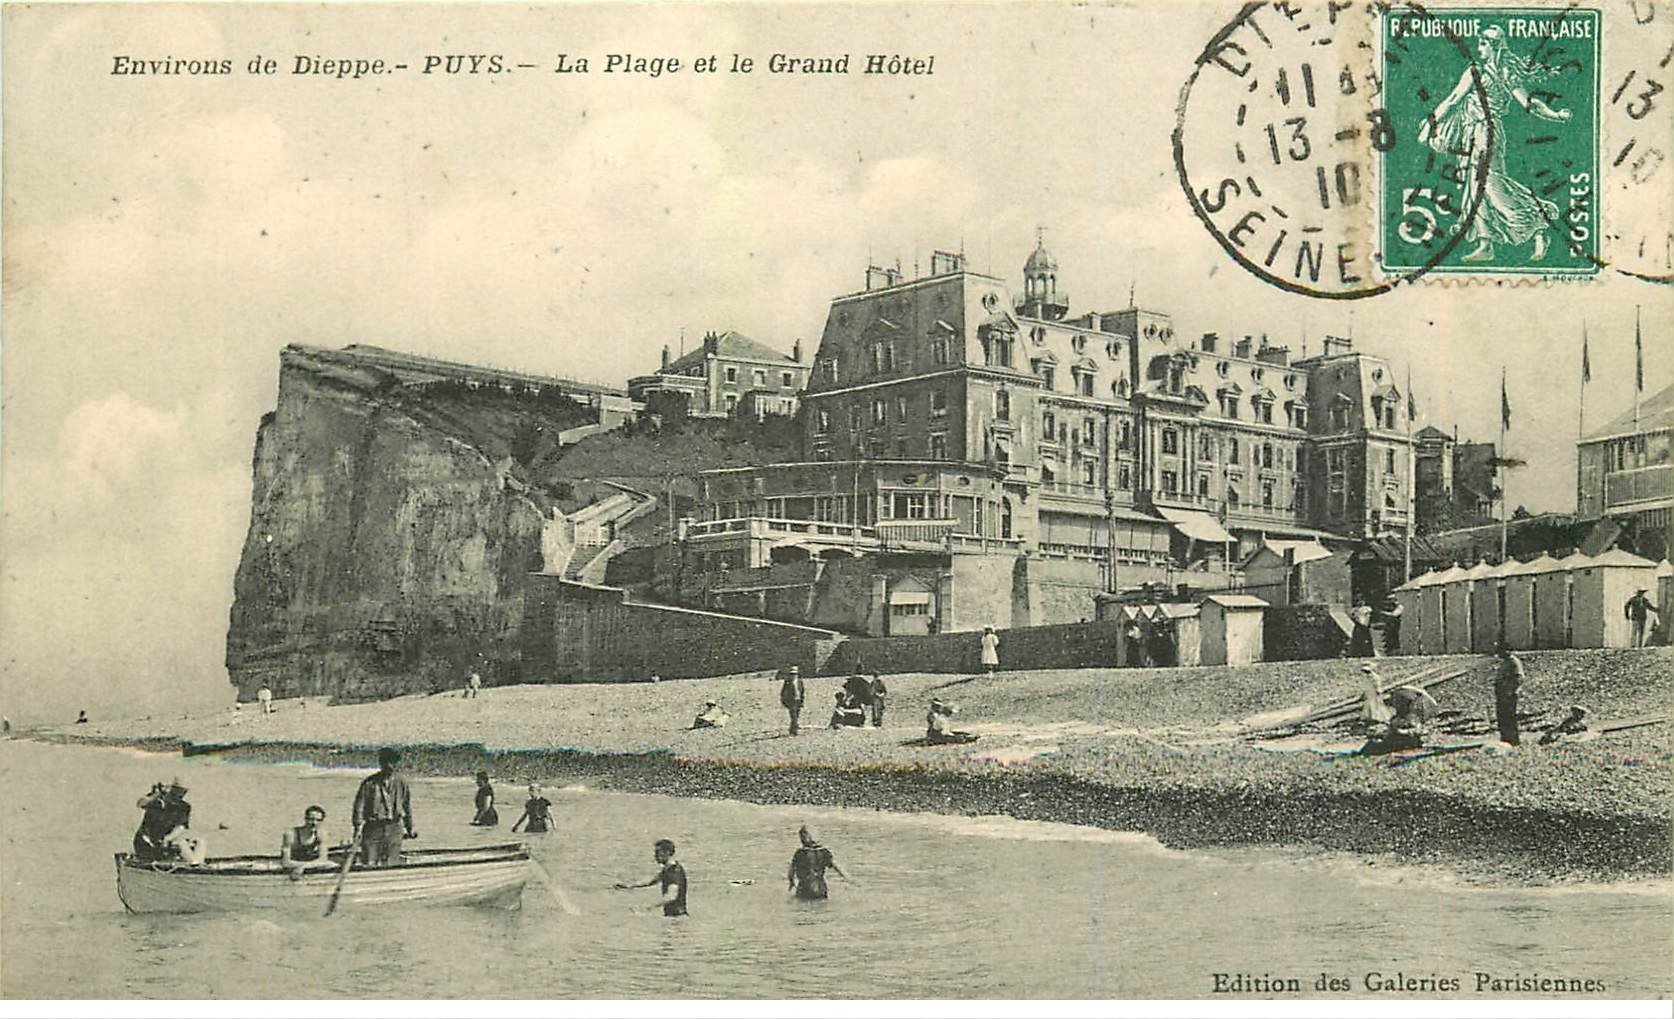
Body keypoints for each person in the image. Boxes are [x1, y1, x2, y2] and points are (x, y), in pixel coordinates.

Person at [351, 747, 416, 866]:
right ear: (380, 763)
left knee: (392, 862)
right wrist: (357, 829)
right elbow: (359, 807)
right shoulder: (369, 783)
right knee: (370, 861)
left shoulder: (402, 783)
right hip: (373, 828)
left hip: (394, 828)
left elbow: (407, 807)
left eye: (392, 762)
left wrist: (410, 828)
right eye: (385, 762)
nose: (389, 765)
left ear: (397, 764)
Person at [613, 838, 687, 917]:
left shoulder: (674, 872)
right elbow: (651, 881)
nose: (655, 856)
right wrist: (629, 885)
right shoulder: (668, 869)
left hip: (677, 916)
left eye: (657, 853)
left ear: (667, 853)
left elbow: (671, 896)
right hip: (673, 915)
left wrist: (648, 907)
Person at [133, 780, 192, 861]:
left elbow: (181, 826)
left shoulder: (184, 807)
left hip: (166, 842)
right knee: (180, 843)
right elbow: (141, 804)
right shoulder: (155, 802)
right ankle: (195, 866)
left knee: (199, 842)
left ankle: (197, 865)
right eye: (175, 791)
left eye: (183, 792)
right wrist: (157, 794)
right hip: (147, 842)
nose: (179, 795)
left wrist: (168, 838)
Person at [787, 825, 846, 900]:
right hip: (821, 888)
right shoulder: (824, 851)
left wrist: (791, 882)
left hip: (805, 888)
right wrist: (847, 878)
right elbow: (837, 867)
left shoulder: (800, 853)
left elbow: (791, 871)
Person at [279, 805, 329, 879]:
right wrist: (305, 866)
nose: (314, 823)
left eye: (318, 820)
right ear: (305, 819)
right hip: (293, 864)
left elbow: (323, 859)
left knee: (332, 865)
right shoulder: (291, 834)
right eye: (311, 819)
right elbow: (285, 862)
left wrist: (303, 867)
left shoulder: (321, 834)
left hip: (307, 864)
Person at [1494, 645, 1524, 746]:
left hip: (1509, 695)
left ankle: (1513, 740)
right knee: (1503, 717)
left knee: (1509, 718)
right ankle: (1505, 738)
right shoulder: (1506, 662)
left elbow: (1518, 677)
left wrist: (1510, 690)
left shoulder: (1513, 662)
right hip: (1503, 694)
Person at [780, 666, 806, 736]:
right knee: (793, 716)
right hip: (791, 701)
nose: (793, 676)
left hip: (798, 701)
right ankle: (795, 731)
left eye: (794, 674)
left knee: (796, 716)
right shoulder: (787, 682)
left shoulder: (799, 681)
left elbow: (802, 691)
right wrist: (784, 701)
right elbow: (783, 692)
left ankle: (792, 730)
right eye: (791, 674)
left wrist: (802, 700)